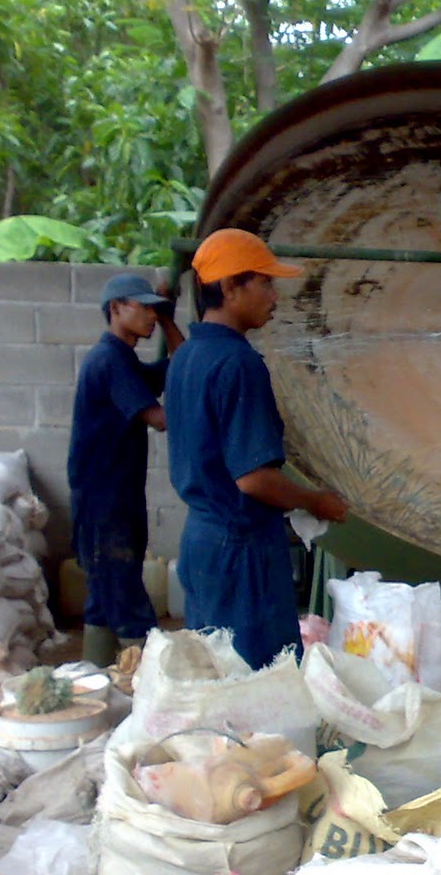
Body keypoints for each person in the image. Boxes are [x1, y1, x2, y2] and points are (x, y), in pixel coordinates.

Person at [164, 228, 348, 669]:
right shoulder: (238, 363)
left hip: (202, 542)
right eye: (265, 283)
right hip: (240, 550)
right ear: (231, 287)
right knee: (259, 679)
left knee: (215, 672)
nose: (274, 296)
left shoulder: (186, 357)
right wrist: (314, 501)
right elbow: (253, 478)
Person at [68, 273, 185, 666]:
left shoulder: (124, 359)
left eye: (154, 309)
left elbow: (179, 365)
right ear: (116, 309)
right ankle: (153, 683)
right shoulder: (110, 360)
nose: (151, 316)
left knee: (104, 601)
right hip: (105, 502)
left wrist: (167, 317)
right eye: (144, 307)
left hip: (115, 495)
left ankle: (97, 678)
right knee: (126, 599)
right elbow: (160, 419)